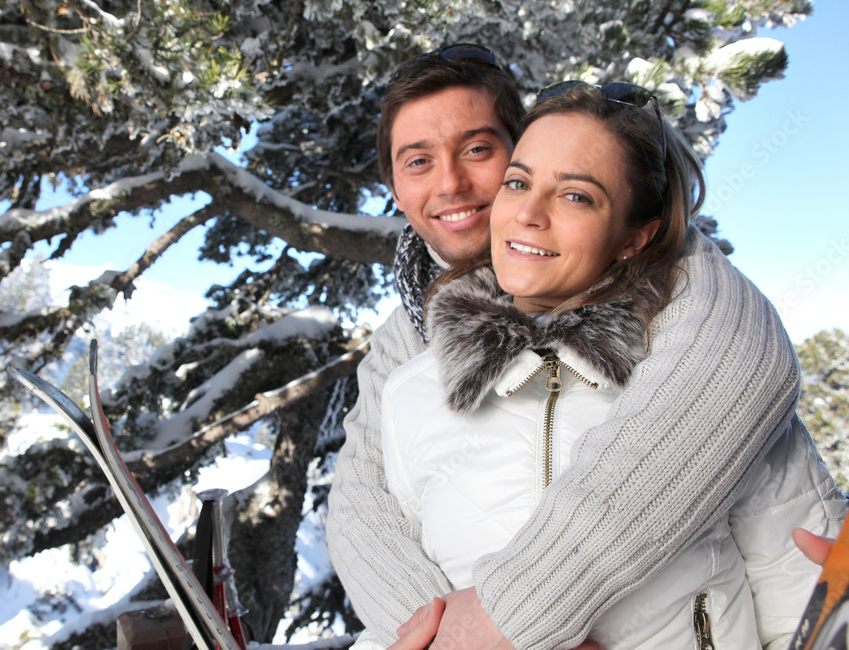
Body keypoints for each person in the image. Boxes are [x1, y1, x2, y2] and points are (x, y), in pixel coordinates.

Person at [324, 45, 819, 649]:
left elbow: (743, 371)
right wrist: (451, 636)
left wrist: (515, 614)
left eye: (477, 150)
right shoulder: (403, 361)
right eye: (418, 160)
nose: (450, 182)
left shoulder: (681, 309)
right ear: (395, 187)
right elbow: (361, 512)